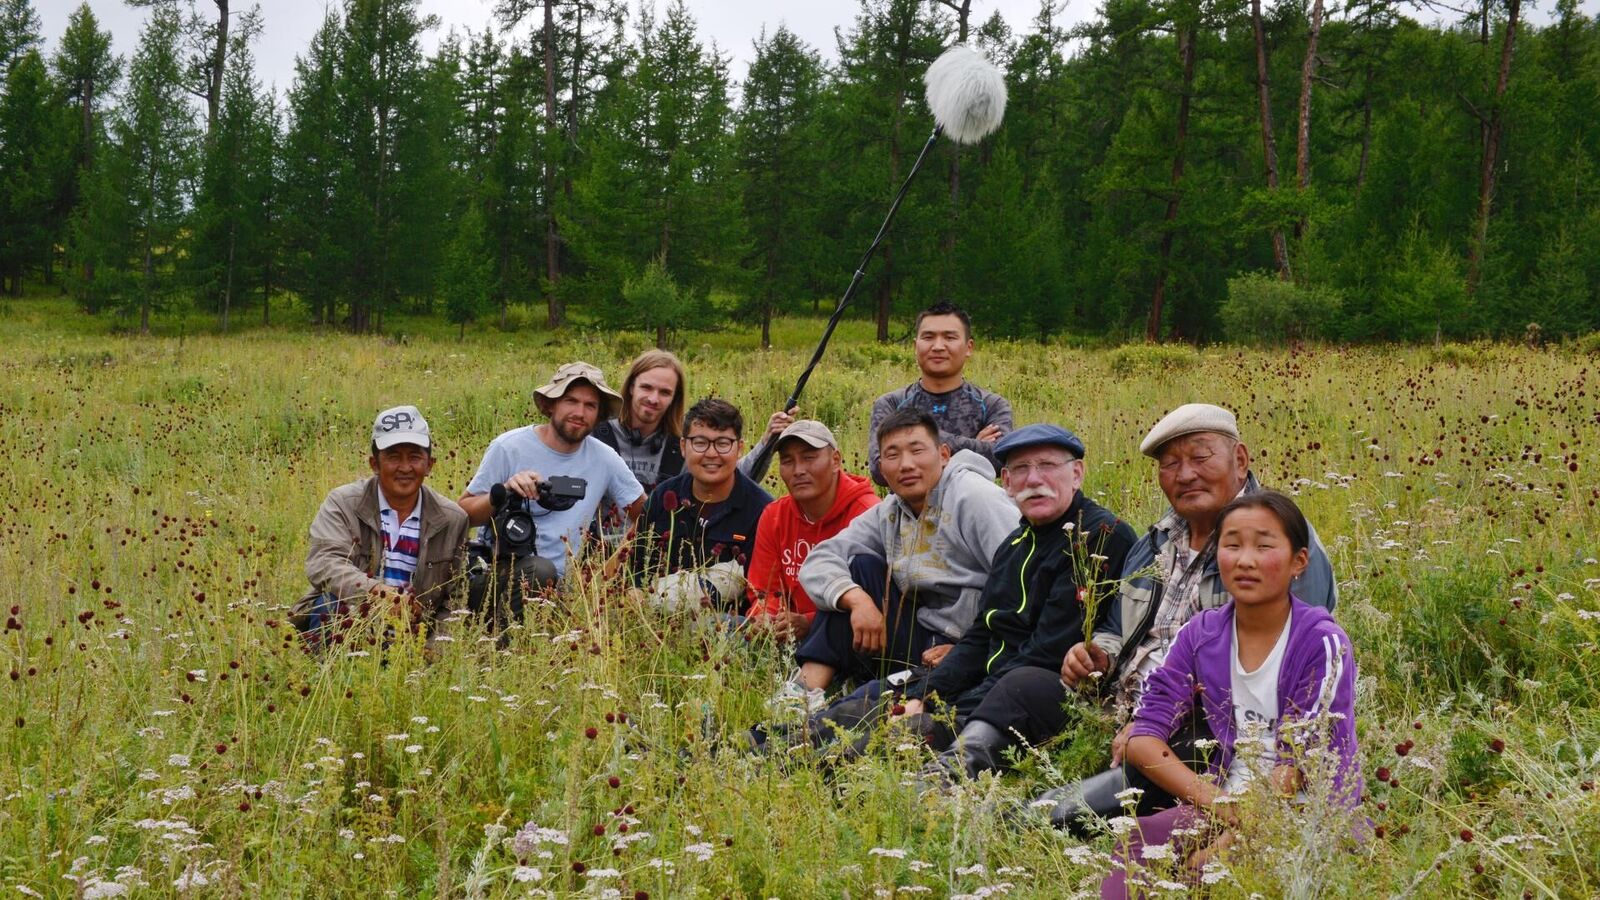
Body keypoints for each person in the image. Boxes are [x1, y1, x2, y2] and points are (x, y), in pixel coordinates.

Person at [1036, 403, 1338, 829]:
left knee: (1148, 770)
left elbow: (1279, 676)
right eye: (1170, 464)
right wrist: (1098, 654)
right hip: (1123, 704)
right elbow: (1117, 628)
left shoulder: (1279, 546)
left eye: (1200, 458)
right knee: (1026, 686)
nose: (1184, 474)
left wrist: (1150, 723)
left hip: (1206, 722)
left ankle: (1050, 815)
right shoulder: (1155, 541)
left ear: (1240, 460)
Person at [1101, 491, 1359, 897]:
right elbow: (1144, 738)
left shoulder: (1320, 641)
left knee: (1210, 875)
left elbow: (1301, 763)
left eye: (1264, 545)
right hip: (1225, 799)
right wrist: (1221, 806)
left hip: (1305, 811)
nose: (1245, 560)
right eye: (1232, 544)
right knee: (1140, 844)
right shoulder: (1201, 633)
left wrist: (1238, 835)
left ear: (1299, 562)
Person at [889, 424, 1138, 781]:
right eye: (1020, 470)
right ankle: (802, 744)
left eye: (1048, 466)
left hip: (1046, 694)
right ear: (1006, 482)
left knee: (1016, 684)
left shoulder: (1097, 538)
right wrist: (924, 696)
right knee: (891, 694)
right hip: (993, 688)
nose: (1034, 479)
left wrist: (955, 708)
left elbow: (1048, 653)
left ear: (1077, 473)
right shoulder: (1015, 545)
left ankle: (944, 777)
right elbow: (979, 635)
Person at [772, 408, 1018, 713]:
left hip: (973, 643)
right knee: (858, 568)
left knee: (869, 702)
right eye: (892, 455)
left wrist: (969, 648)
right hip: (921, 635)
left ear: (943, 454)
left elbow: (1021, 581)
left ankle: (849, 698)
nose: (906, 465)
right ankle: (802, 695)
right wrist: (857, 600)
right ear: (881, 468)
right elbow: (821, 558)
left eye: (917, 450)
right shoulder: (890, 510)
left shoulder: (975, 498)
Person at [292, 406, 470, 649]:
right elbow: (324, 563)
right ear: (374, 463)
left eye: (415, 457)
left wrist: (432, 653)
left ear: (430, 464)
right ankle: (332, 679)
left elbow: (456, 599)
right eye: (394, 456)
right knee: (330, 604)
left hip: (414, 639)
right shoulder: (343, 504)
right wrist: (378, 594)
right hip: (354, 625)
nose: (405, 467)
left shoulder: (453, 519)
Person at [460, 362, 645, 588]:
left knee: (546, 572)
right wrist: (505, 492)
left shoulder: (605, 459)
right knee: (541, 570)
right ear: (551, 405)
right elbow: (463, 515)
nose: (579, 413)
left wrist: (608, 570)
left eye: (590, 405)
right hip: (500, 575)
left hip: (564, 589)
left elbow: (648, 517)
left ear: (598, 415)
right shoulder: (509, 447)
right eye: (571, 401)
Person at [742, 420, 879, 642]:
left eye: (808, 458)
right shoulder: (774, 515)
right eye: (788, 461)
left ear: (836, 460)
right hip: (785, 633)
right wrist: (765, 617)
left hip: (847, 636)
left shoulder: (867, 514)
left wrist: (810, 622)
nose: (798, 470)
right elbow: (763, 589)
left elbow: (875, 602)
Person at [635, 398, 773, 612]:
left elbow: (762, 596)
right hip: (654, 621)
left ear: (739, 448)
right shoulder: (663, 497)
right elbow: (635, 573)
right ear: (683, 446)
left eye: (723, 443)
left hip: (729, 629)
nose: (711, 453)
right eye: (700, 442)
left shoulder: (762, 511)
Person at [593, 349, 796, 493]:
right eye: (646, 388)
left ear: (675, 398)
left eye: (665, 392)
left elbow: (729, 478)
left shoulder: (680, 444)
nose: (653, 399)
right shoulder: (595, 435)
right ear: (631, 387)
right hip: (596, 548)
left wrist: (767, 441)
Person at [866, 302, 1013, 486]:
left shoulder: (992, 405)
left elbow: (1000, 459)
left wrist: (909, 442)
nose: (938, 346)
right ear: (915, 345)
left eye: (949, 337)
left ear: (969, 347)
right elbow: (880, 470)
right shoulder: (891, 404)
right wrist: (973, 450)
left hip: (969, 508)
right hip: (907, 513)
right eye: (928, 337)